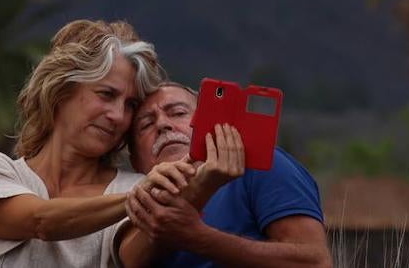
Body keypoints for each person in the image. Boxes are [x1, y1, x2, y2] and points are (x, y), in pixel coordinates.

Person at [0, 19, 192, 266]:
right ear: (60, 90)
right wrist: (138, 198)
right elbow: (40, 221)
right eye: (106, 94)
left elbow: (135, 256)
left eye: (130, 105)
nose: (118, 116)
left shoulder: (133, 188)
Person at [115, 82, 331, 268]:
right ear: (135, 161)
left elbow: (315, 263)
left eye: (178, 113)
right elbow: (129, 260)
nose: (162, 124)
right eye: (146, 124)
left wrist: (201, 238)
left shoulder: (260, 166)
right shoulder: (135, 198)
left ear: (209, 121)